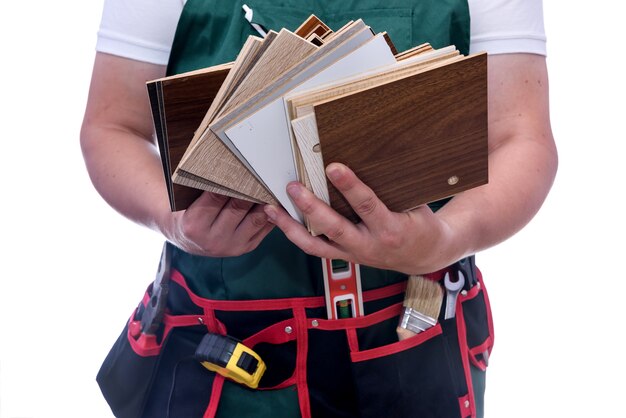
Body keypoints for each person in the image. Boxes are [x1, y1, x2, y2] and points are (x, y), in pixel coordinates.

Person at [81, 0, 557, 417]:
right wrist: (174, 222)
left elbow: (521, 136)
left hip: (417, 334)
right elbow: (113, 126)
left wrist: (446, 238)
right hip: (221, 346)